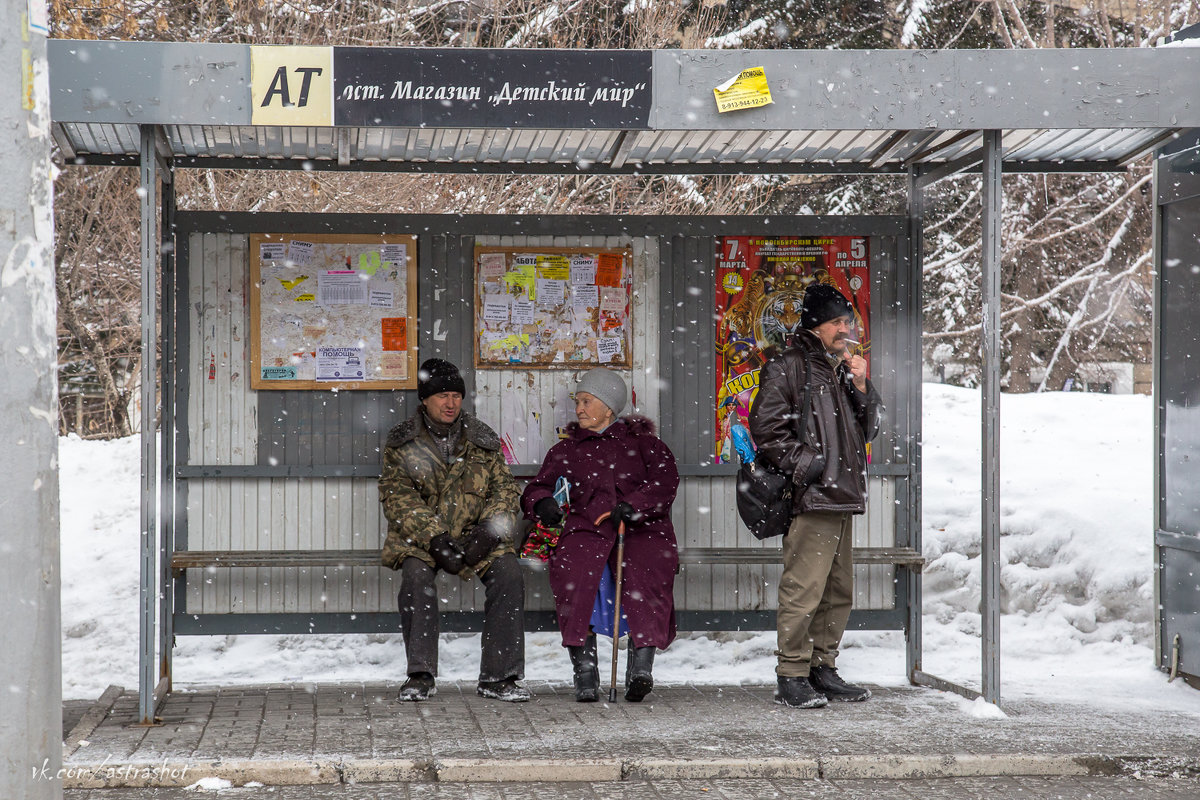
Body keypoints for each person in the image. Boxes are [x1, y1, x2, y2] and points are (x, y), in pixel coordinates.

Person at [749, 283, 883, 709]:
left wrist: (862, 386)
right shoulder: (788, 366)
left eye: (847, 321)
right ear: (815, 325)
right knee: (804, 589)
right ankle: (792, 673)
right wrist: (813, 469)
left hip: (841, 496)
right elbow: (768, 431)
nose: (845, 329)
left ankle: (821, 668)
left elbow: (870, 427)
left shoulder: (840, 365)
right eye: (836, 322)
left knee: (837, 591)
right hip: (813, 496)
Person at [521, 368, 679, 703]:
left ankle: (640, 669)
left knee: (649, 570)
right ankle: (585, 672)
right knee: (575, 573)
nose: (578, 408)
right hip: (585, 530)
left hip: (640, 529)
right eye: (577, 401)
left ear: (608, 407)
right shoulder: (566, 451)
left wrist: (633, 506)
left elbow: (665, 483)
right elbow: (537, 488)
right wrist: (542, 503)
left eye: (586, 401)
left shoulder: (646, 446)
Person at [379, 358, 529, 703]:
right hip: (425, 538)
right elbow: (397, 497)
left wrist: (489, 533)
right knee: (416, 579)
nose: (451, 404)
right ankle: (420, 674)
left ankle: (498, 676)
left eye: (456, 396)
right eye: (443, 395)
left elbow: (504, 490)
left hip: (478, 533)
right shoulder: (402, 443)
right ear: (425, 400)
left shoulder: (482, 440)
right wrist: (435, 538)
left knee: (508, 575)